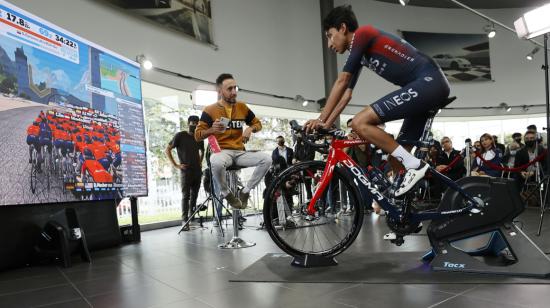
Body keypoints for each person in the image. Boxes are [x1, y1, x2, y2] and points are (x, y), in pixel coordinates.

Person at [305, 5, 450, 197]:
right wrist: (326, 124)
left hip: (429, 82)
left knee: (359, 122)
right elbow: (346, 95)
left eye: (330, 36)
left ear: (342, 28)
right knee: (396, 160)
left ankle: (416, 165)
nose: (330, 44)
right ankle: (404, 215)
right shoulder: (358, 53)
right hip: (424, 88)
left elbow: (342, 80)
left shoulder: (363, 33)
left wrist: (320, 118)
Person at [195, 73, 271, 209]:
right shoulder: (210, 110)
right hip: (222, 152)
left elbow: (258, 124)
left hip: (240, 152)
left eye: (235, 88)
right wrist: (211, 130)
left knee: (267, 159)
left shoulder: (242, 107)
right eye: (229, 89)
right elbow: (197, 135)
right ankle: (226, 193)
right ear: (220, 91)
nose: (234, 92)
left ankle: (245, 191)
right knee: (216, 161)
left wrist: (250, 129)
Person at [166, 115, 204, 230]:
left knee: (194, 196)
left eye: (197, 123)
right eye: (193, 123)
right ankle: (184, 220)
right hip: (185, 171)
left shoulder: (199, 138)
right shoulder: (180, 136)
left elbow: (202, 151)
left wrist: (200, 162)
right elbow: (167, 149)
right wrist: (176, 165)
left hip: (197, 171)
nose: (195, 125)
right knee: (186, 196)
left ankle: (192, 218)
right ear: (188, 124)